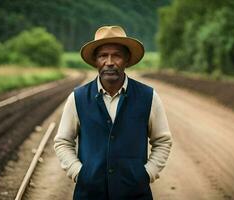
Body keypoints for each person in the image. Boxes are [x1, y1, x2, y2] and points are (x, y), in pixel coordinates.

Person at [54, 25, 172, 200]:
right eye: (103, 55)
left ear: (126, 60)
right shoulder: (77, 98)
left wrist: (147, 174)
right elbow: (63, 141)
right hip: (89, 195)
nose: (109, 62)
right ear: (96, 61)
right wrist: (80, 173)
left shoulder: (148, 97)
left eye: (116, 55)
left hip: (135, 195)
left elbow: (162, 141)